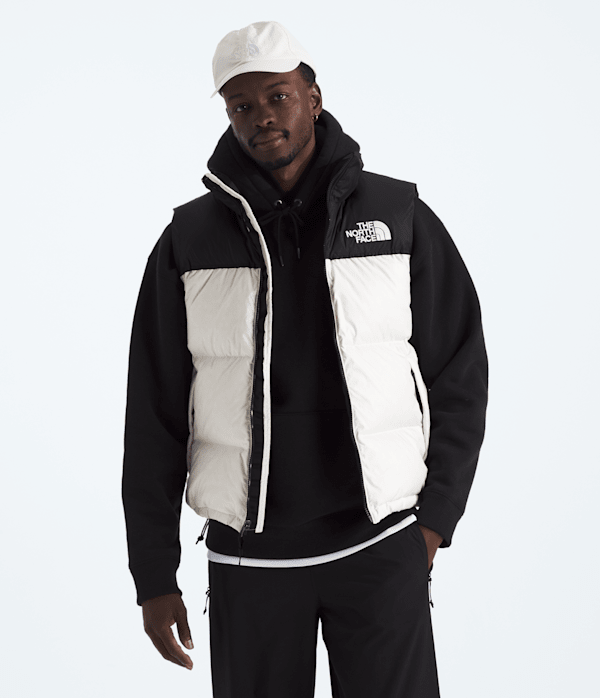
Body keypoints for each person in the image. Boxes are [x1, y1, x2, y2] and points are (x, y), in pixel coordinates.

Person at [121, 20, 488, 698]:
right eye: (241, 105)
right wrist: (153, 573)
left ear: (313, 98)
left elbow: (459, 369)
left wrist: (436, 518)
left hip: (379, 543)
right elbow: (153, 412)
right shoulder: (188, 240)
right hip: (250, 558)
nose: (261, 116)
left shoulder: (397, 214)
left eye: (278, 96)